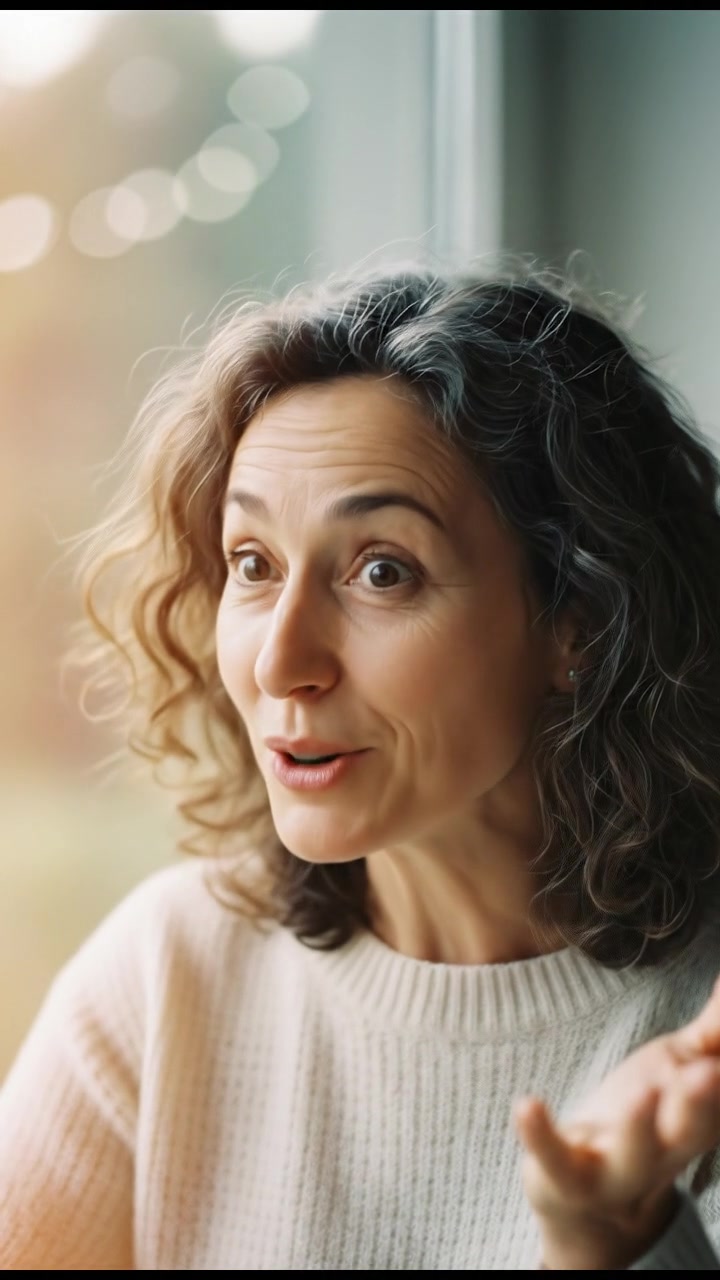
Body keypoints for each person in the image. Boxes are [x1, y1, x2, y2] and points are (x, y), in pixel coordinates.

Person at [2, 262, 720, 1271]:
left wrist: (618, 1247)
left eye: (382, 571)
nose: (279, 661)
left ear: (581, 621)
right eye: (253, 564)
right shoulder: (170, 974)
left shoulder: (697, 1035)